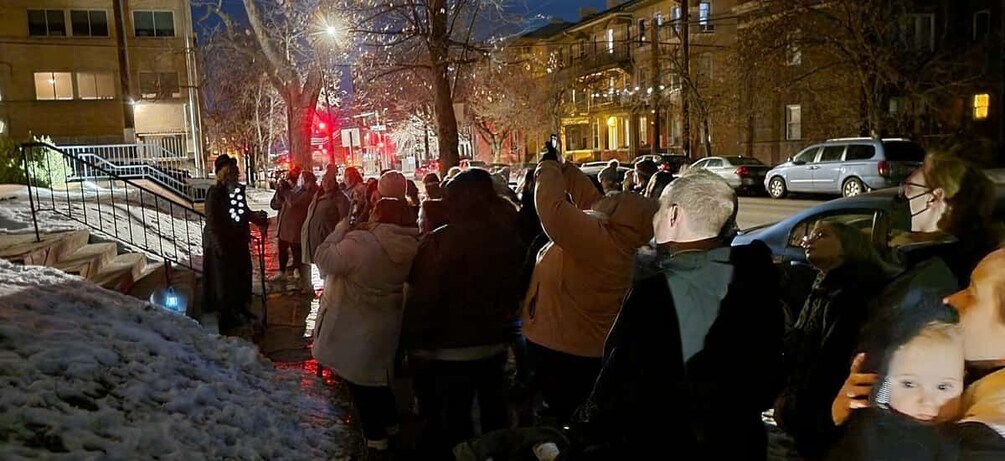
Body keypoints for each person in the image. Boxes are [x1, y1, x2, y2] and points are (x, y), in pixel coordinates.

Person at [568, 168, 783, 459]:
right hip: (739, 440)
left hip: (669, 441)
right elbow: (768, 374)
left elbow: (618, 381)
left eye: (659, 211)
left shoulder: (655, 295)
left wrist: (581, 429)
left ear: (674, 217)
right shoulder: (756, 281)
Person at [521, 143, 657, 426]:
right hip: (586, 347)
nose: (609, 198)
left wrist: (547, 167)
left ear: (619, 217)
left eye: (616, 201)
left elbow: (552, 209)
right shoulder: (619, 238)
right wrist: (566, 170)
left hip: (562, 350)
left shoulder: (597, 242)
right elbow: (592, 201)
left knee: (561, 418)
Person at [401, 169, 526, 460]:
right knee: (494, 413)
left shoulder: (439, 242)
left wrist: (411, 345)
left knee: (455, 421)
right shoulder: (508, 238)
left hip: (449, 351)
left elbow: (422, 298)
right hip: (493, 345)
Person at [774, 220, 893, 459]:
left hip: (828, 415)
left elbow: (828, 361)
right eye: (812, 234)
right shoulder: (824, 284)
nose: (810, 240)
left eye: (822, 235)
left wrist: (796, 408)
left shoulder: (850, 292)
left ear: (846, 247)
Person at [312, 198, 420, 459]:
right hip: (383, 325)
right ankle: (392, 428)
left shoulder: (361, 244)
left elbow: (322, 259)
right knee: (378, 382)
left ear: (378, 215)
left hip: (354, 327)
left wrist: (338, 231)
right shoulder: (409, 246)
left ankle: (377, 443)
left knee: (362, 389)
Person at [894, 152, 1000, 286]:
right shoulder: (979, 257)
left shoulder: (930, 269)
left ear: (934, 198)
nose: (903, 194)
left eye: (908, 187)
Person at [202, 155, 268, 337]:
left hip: (238, 242)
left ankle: (241, 307)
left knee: (242, 275)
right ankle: (227, 315)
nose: (235, 173)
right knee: (224, 281)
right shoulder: (214, 193)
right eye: (231, 170)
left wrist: (256, 218)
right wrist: (218, 245)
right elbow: (213, 221)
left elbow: (242, 212)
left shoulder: (236, 191)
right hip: (222, 244)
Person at [270, 168, 316, 289]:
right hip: (285, 227)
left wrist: (285, 191)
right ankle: (282, 270)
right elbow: (279, 203)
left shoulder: (308, 193)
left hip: (295, 228)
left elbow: (293, 201)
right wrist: (280, 192)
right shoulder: (296, 189)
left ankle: (300, 276)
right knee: (282, 249)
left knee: (297, 252)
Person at [300, 169, 351, 273]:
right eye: (324, 181)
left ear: (334, 183)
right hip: (312, 238)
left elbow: (344, 219)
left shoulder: (339, 198)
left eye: (329, 181)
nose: (326, 184)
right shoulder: (317, 196)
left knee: (326, 270)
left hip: (326, 238)